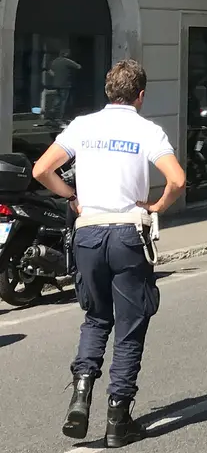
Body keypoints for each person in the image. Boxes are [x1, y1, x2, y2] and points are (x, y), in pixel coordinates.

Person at [32, 59, 186, 448]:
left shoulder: (83, 126)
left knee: (96, 319)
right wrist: (157, 206)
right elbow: (178, 179)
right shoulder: (147, 130)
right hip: (127, 233)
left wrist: (72, 197)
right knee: (130, 325)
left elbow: (41, 170)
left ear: (107, 91)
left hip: (88, 233)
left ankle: (80, 396)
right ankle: (118, 417)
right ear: (141, 95)